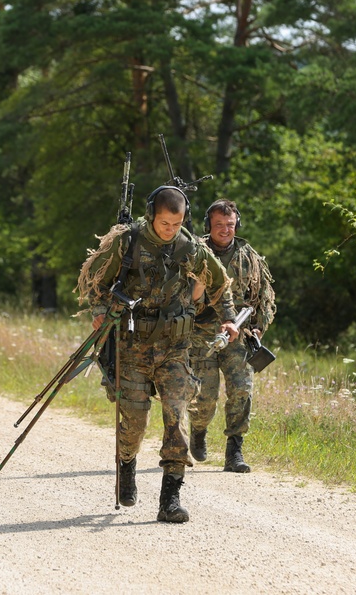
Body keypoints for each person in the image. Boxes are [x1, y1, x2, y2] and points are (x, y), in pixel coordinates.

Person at [76, 186, 238, 523]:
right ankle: (126, 464)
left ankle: (170, 498)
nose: (171, 230)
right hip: (131, 346)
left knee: (176, 419)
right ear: (152, 215)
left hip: (175, 348)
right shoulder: (128, 242)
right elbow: (95, 281)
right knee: (134, 421)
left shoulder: (189, 247)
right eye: (165, 223)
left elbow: (219, 281)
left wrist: (228, 318)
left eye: (177, 223)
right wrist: (100, 308)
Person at [188, 199, 275, 473]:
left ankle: (234, 451)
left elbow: (264, 297)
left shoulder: (249, 256)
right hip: (201, 336)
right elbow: (181, 294)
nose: (225, 230)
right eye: (218, 225)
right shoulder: (194, 252)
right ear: (208, 226)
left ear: (237, 223)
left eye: (230, 224)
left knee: (241, 391)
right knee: (205, 395)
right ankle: (198, 430)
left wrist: (259, 327)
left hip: (238, 336)